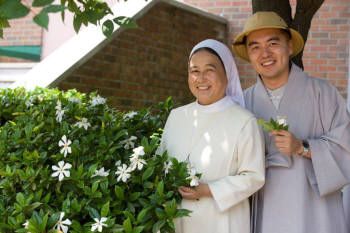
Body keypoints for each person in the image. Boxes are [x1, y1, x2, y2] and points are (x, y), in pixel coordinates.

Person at [232, 11, 350, 233]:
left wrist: (304, 147)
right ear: (249, 54)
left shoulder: (323, 93)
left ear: (288, 46)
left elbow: (347, 147)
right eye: (255, 47)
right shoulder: (242, 103)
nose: (264, 53)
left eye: (273, 43)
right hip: (266, 207)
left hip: (315, 212)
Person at [157, 39, 265, 233]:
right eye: (194, 71)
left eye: (209, 70)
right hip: (176, 218)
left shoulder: (245, 121)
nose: (201, 78)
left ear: (227, 74)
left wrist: (208, 190)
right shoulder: (177, 116)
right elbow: (159, 163)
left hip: (222, 220)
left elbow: (254, 176)